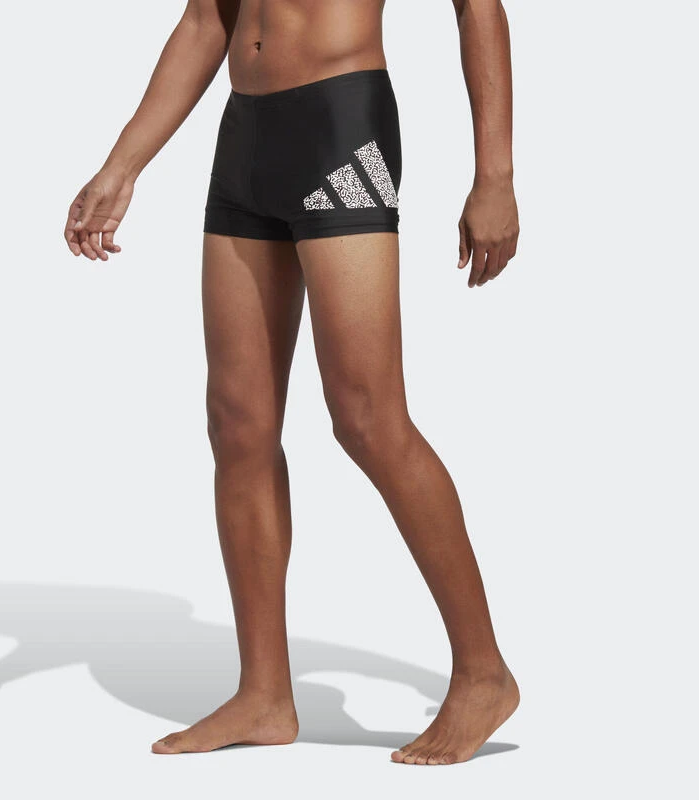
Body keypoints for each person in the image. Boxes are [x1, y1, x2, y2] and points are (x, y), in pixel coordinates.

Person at [63, 0, 520, 767]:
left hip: (341, 130)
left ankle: (483, 672)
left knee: (368, 418)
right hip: (245, 138)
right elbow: (205, 21)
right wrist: (122, 165)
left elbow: (479, 6)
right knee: (238, 423)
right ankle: (264, 693)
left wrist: (494, 175)